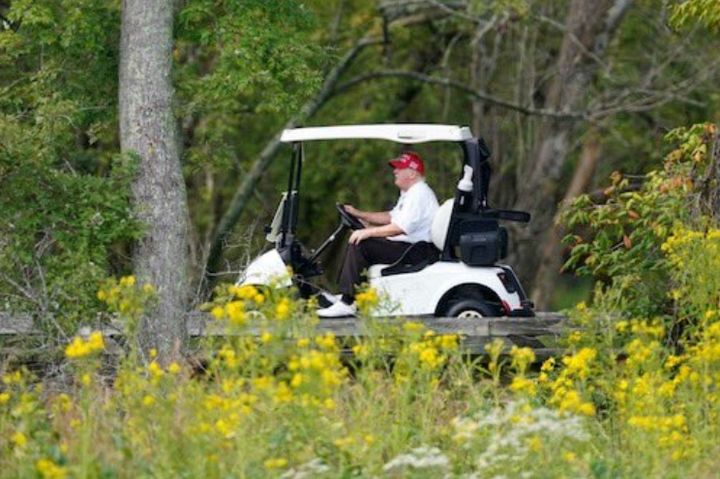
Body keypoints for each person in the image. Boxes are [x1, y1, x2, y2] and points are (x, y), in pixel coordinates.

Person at [317, 151, 439, 317]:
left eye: (399, 168)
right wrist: (359, 214)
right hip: (409, 247)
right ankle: (348, 297)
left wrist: (368, 232)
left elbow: (399, 228)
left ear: (411, 173)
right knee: (360, 238)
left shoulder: (419, 193)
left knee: (361, 244)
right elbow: (390, 217)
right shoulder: (410, 194)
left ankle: (348, 302)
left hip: (416, 250)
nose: (394, 172)